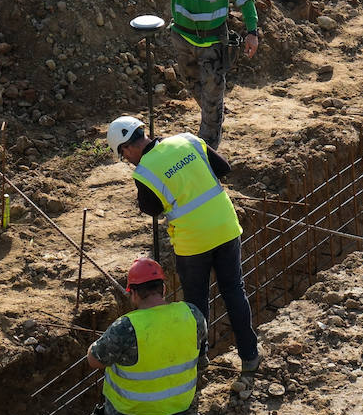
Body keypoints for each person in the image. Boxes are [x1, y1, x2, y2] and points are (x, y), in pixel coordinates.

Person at [107, 115, 260, 372]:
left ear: (128, 147)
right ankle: (250, 356)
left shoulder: (144, 172)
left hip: (193, 242)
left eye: (124, 156)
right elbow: (223, 167)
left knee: (196, 302)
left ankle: (199, 361)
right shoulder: (188, 140)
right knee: (234, 290)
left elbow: (151, 209)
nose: (128, 161)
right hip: (225, 225)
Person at [157, 0, 261, 149]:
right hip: (182, 39)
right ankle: (214, 113)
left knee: (212, 93)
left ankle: (208, 150)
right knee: (193, 83)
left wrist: (252, 31)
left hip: (213, 42)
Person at [87, 256, 207, 415]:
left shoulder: (125, 328)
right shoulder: (192, 313)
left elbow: (94, 360)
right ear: (164, 289)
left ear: (133, 294)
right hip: (181, 408)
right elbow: (201, 357)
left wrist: (97, 344)